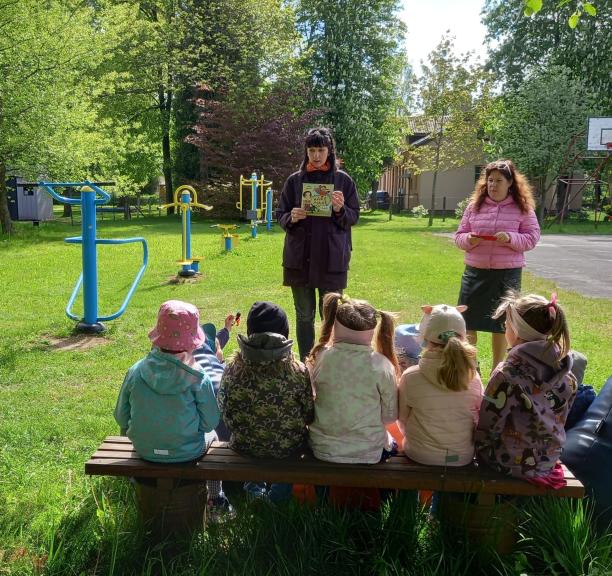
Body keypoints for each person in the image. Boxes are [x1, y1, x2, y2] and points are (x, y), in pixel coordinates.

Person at [113, 301, 225, 514]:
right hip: (187, 451)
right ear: (192, 343)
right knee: (215, 438)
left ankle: (133, 483)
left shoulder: (135, 371)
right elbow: (210, 422)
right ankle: (215, 498)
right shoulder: (198, 377)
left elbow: (121, 417)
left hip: (144, 449)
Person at [475, 292, 576, 486]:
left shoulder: (507, 374)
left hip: (508, 463)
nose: (504, 330)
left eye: (506, 326)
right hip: (548, 461)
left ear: (517, 331)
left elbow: (487, 425)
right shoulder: (567, 374)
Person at [277, 127, 360, 360]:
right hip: (300, 260)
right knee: (304, 315)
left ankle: (329, 361)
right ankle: (306, 361)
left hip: (331, 259)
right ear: (306, 151)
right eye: (311, 150)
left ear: (329, 151)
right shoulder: (295, 181)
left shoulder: (343, 180)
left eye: (320, 150)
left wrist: (340, 209)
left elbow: (354, 216)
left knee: (330, 317)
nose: (316, 155)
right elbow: (280, 214)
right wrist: (290, 217)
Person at [218, 301, 314, 502]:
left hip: (244, 446)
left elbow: (224, 409)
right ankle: (278, 495)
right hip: (289, 447)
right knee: (295, 454)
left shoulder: (232, 369)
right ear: (284, 333)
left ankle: (254, 491)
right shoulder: (297, 371)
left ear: (251, 331)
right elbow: (309, 413)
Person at [454, 159, 540, 369]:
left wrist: (511, 238)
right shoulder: (474, 206)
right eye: (489, 180)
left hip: (506, 274)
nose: (493, 184)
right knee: (468, 321)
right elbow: (459, 236)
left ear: (510, 183)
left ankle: (496, 368)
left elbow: (532, 238)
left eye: (498, 180)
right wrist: (469, 240)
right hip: (475, 272)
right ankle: (470, 367)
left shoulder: (523, 208)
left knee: (500, 325)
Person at [307, 293, 399, 464]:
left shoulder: (321, 357)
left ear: (335, 325)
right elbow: (390, 417)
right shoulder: (382, 365)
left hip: (322, 448)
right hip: (369, 452)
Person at [397, 305, 483, 467]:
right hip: (462, 457)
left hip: (419, 454)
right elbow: (478, 417)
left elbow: (403, 418)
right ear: (463, 337)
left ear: (425, 338)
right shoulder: (473, 378)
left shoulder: (410, 376)